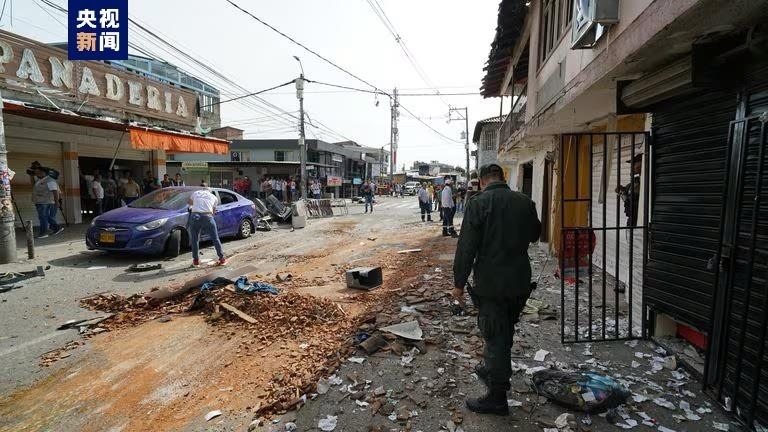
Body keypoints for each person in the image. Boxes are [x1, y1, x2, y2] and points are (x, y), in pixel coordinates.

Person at [452, 163, 541, 415]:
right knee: (505, 329)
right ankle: (491, 369)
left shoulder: (478, 203)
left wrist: (458, 284)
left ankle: (497, 397)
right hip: (520, 281)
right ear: (502, 178)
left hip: (492, 284)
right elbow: (535, 235)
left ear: (482, 182)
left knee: (495, 337)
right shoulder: (525, 202)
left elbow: (466, 247)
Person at [187, 188, 226, 267]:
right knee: (215, 238)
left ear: (203, 190)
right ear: (210, 192)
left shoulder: (196, 192)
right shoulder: (214, 197)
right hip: (207, 215)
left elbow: (189, 203)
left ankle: (196, 261)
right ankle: (222, 259)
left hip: (195, 215)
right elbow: (213, 211)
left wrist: (198, 204)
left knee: (195, 239)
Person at [31, 165, 63, 238]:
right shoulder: (39, 180)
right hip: (40, 202)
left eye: (38, 173)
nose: (37, 174)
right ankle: (56, 228)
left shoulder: (50, 180)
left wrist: (57, 202)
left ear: (43, 172)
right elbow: (33, 186)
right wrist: (31, 176)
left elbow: (55, 191)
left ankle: (44, 233)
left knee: (43, 218)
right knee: (45, 217)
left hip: (46, 202)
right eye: (36, 173)